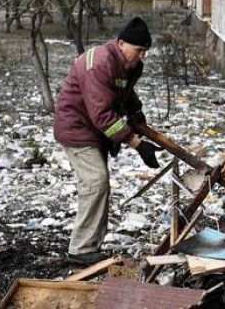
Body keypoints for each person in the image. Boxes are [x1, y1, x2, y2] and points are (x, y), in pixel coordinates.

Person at [54, 16, 164, 265]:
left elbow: (124, 93)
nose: (143, 56)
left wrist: (137, 115)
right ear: (121, 43)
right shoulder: (99, 63)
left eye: (146, 51)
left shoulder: (128, 64)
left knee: (99, 183)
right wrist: (136, 143)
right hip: (77, 127)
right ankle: (81, 249)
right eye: (139, 50)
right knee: (96, 182)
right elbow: (102, 115)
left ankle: (91, 244)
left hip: (95, 130)